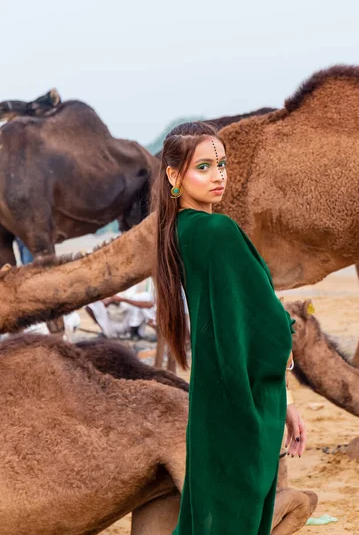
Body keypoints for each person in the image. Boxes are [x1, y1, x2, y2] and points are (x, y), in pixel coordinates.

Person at [151, 121, 306, 535]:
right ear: (173, 176)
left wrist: (286, 400)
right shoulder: (218, 231)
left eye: (221, 164)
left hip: (211, 398)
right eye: (203, 167)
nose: (218, 175)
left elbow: (234, 317)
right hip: (242, 400)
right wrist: (285, 331)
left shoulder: (178, 232)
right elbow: (267, 320)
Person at [85, 280, 157, 340]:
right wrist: (107, 301)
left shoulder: (130, 282)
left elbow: (147, 304)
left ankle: (134, 332)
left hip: (128, 320)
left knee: (141, 298)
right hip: (111, 322)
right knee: (90, 303)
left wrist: (120, 300)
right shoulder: (107, 281)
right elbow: (105, 300)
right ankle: (104, 331)